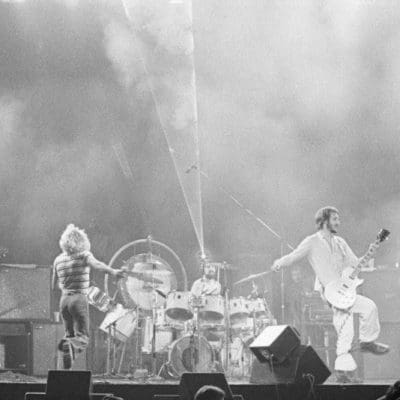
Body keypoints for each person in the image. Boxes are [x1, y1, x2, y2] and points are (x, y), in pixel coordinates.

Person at [271, 206, 389, 383]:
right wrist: (279, 263)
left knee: (367, 309)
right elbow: (294, 256)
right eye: (335, 219)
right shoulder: (312, 242)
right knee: (346, 326)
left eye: (338, 219)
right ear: (324, 221)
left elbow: (355, 263)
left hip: (344, 291)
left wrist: (370, 253)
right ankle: (347, 368)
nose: (338, 222)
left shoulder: (340, 242)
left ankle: (360, 349)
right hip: (330, 292)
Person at [52, 223, 125, 369]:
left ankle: (64, 371)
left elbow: (53, 285)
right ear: (82, 241)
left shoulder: (58, 260)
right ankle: (68, 348)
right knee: (82, 338)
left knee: (69, 335)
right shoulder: (84, 255)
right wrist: (113, 272)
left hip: (64, 301)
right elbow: (97, 265)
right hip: (78, 298)